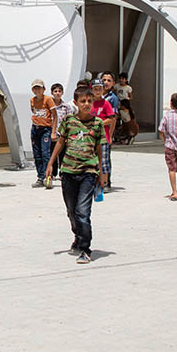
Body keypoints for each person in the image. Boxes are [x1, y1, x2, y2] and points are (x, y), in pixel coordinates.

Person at [44, 86, 107, 265]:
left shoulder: (98, 123)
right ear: (76, 103)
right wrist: (50, 163)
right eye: (83, 101)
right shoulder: (69, 121)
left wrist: (102, 172)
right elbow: (61, 142)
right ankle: (78, 237)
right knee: (72, 211)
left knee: (82, 212)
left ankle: (85, 249)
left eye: (89, 101)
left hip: (88, 172)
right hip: (68, 172)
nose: (86, 104)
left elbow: (100, 149)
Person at [28, 79, 57, 188]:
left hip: (46, 129)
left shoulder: (48, 99)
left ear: (43, 89)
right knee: (37, 154)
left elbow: (55, 116)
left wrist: (53, 132)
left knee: (45, 153)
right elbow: (34, 112)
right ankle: (40, 176)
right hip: (35, 128)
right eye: (35, 88)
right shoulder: (32, 100)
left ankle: (47, 176)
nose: (37, 90)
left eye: (39, 88)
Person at [88, 80, 116, 189]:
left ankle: (105, 183)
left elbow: (111, 119)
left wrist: (99, 123)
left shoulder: (106, 103)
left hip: (103, 137)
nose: (97, 91)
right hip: (90, 137)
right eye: (95, 89)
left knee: (103, 162)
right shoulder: (89, 103)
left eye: (100, 89)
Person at [100, 73, 122, 187]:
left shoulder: (113, 98)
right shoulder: (96, 96)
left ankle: (107, 182)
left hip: (106, 132)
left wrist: (110, 134)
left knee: (105, 159)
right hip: (96, 133)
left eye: (109, 80)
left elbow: (113, 119)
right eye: (104, 80)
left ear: (113, 83)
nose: (106, 82)